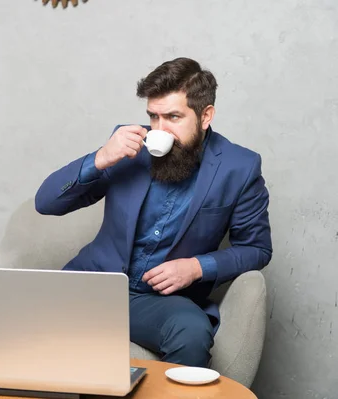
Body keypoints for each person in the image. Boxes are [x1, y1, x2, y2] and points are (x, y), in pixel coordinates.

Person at [34, 57, 272, 367]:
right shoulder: (127, 147)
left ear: (205, 116)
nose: (160, 130)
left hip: (159, 302)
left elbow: (256, 249)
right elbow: (46, 203)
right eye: (153, 117)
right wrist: (101, 157)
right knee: (16, 319)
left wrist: (197, 267)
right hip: (94, 283)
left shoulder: (239, 167)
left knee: (192, 333)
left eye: (173, 117)